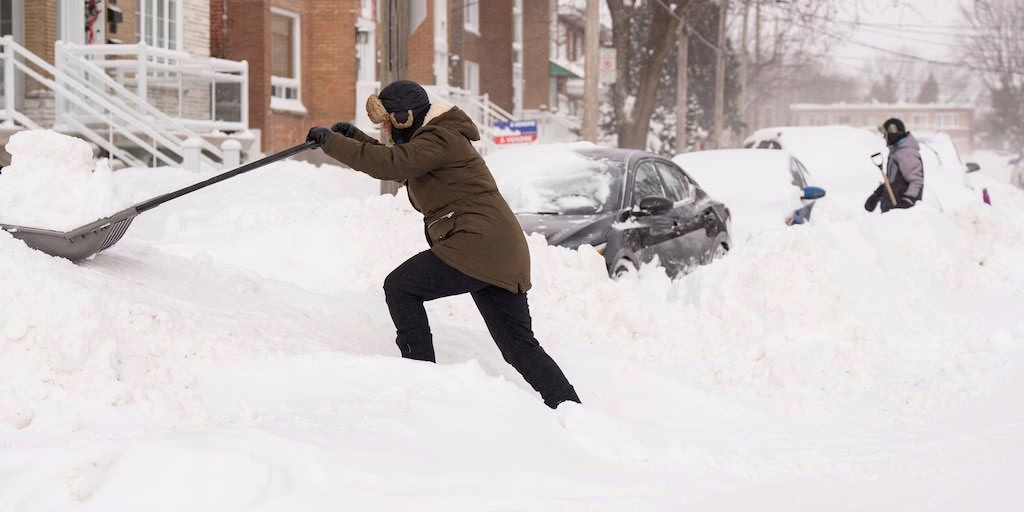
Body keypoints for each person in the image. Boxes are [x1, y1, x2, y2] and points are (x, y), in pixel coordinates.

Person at [305, 80, 580, 409]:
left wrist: (333, 144)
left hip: (479, 242)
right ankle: (570, 409)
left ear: (404, 119)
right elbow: (401, 164)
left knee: (401, 288)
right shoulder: (434, 139)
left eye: (388, 125)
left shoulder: (440, 138)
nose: (387, 133)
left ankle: (420, 381)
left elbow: (394, 164)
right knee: (518, 346)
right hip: (499, 247)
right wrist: (353, 139)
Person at [864, 117, 924, 213]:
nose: (884, 137)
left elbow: (916, 181)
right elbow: (893, 181)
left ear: (893, 134)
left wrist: (908, 201)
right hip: (892, 211)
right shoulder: (896, 152)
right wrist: (877, 194)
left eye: (885, 134)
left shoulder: (906, 153)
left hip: (902, 215)